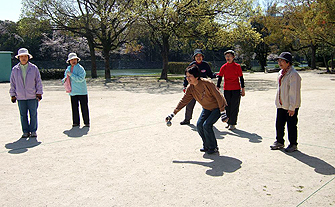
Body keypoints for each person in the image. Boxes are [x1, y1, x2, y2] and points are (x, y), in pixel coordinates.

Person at [166, 65, 228, 154]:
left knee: (207, 125)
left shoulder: (207, 83)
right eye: (186, 76)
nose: (188, 78)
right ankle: (206, 145)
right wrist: (173, 113)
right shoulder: (190, 88)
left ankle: (213, 147)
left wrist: (223, 112)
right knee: (199, 125)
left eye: (190, 76)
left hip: (217, 108)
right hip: (206, 108)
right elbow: (184, 101)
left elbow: (219, 97)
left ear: (196, 76)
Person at [270, 52, 301, 153]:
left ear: (288, 62)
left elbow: (294, 92)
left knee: (291, 125)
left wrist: (292, 107)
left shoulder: (293, 74)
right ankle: (279, 141)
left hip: (290, 105)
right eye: (279, 61)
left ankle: (293, 144)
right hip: (281, 103)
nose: (280, 63)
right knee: (279, 124)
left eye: (282, 61)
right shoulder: (281, 72)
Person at [9, 48, 43, 138]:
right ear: (19, 58)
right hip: (20, 96)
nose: (23, 58)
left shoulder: (34, 68)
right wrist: (12, 94)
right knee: (23, 115)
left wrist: (39, 93)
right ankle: (25, 131)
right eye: (21, 56)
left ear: (28, 57)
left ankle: (33, 131)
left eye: (25, 56)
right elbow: (12, 83)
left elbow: (38, 81)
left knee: (33, 114)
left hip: (32, 95)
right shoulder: (15, 69)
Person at [180, 49, 216, 125]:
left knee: (206, 104)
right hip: (193, 88)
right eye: (197, 56)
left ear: (202, 57)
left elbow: (210, 74)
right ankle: (187, 119)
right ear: (194, 57)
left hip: (203, 89)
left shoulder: (205, 65)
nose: (198, 57)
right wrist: (185, 86)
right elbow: (187, 76)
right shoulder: (191, 65)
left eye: (200, 56)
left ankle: (207, 120)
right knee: (189, 104)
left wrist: (215, 75)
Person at [216, 50, 245, 130]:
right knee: (227, 106)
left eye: (229, 56)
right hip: (227, 89)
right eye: (226, 56)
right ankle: (228, 121)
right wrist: (217, 87)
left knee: (234, 106)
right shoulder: (224, 67)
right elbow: (220, 77)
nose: (228, 58)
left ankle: (233, 123)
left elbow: (241, 78)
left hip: (236, 89)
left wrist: (243, 89)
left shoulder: (237, 66)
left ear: (233, 57)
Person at [63, 53, 90, 127]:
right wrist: (64, 80)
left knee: (84, 107)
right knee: (74, 108)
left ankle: (86, 122)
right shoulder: (68, 69)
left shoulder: (80, 68)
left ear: (77, 60)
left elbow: (81, 79)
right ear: (69, 61)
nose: (73, 61)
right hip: (72, 91)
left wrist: (71, 75)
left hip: (82, 91)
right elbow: (65, 77)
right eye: (71, 60)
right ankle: (75, 122)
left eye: (74, 59)